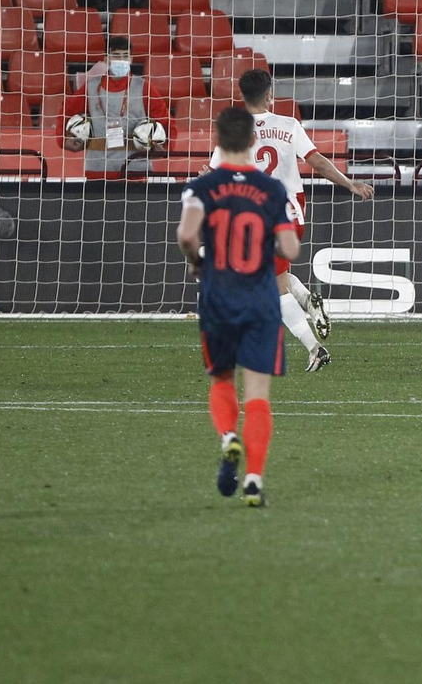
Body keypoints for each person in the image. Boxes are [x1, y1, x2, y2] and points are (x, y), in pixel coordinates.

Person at [209, 69, 374, 372]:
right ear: (270, 94)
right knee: (274, 277)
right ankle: (308, 301)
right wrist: (350, 184)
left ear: (242, 95)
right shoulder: (289, 125)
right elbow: (319, 162)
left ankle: (314, 347)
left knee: (271, 287)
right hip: (292, 213)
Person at [177, 107, 301, 508]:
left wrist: (197, 262)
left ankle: (228, 436)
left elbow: (186, 234)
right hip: (261, 300)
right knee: (259, 394)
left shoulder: (203, 187)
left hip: (218, 297)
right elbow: (290, 248)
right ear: (252, 140)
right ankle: (253, 480)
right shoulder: (271, 191)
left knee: (222, 381)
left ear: (218, 140)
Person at [62, 36, 172, 179]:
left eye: (125, 56)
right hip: (98, 168)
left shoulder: (144, 87)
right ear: (107, 59)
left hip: (136, 168)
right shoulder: (91, 86)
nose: (121, 60)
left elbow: (164, 118)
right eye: (116, 56)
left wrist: (164, 146)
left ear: (131, 59)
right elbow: (66, 111)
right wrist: (64, 139)